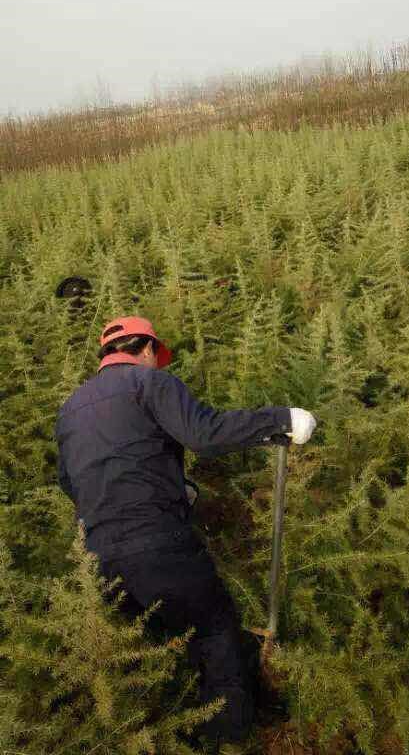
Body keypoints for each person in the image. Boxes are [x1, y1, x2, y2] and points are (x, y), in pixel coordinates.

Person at [56, 316, 316, 748]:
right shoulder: (150, 384)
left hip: (97, 557)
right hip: (157, 543)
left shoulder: (70, 409)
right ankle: (230, 739)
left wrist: (175, 489)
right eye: (157, 358)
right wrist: (280, 419)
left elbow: (72, 483)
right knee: (215, 632)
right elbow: (205, 435)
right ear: (147, 350)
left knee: (163, 643)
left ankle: (174, 729)